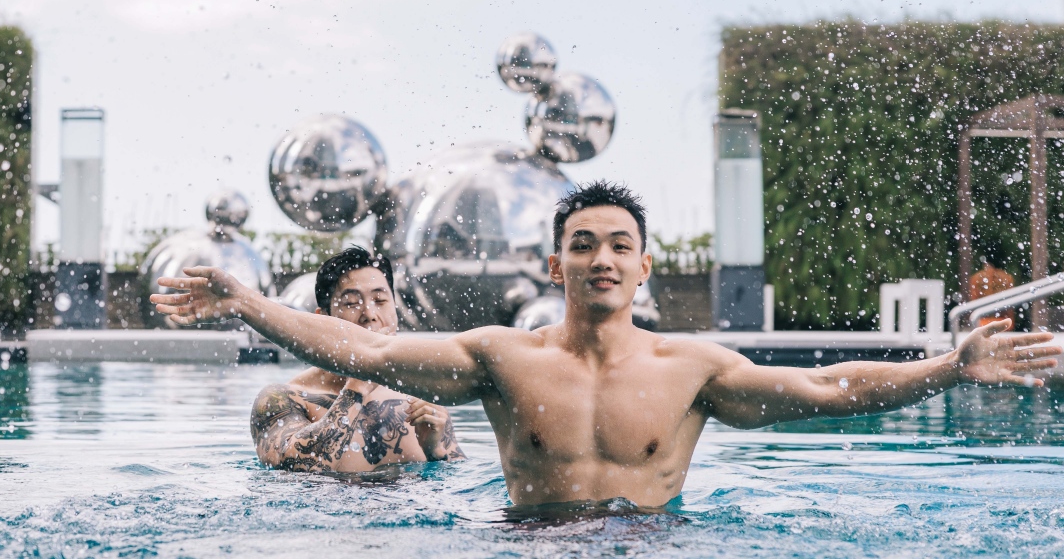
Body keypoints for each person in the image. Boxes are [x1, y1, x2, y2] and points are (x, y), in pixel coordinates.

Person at [152, 181, 1060, 507]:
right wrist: (245, 299)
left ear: (643, 266)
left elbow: (826, 389)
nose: (602, 259)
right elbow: (371, 354)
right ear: (556, 265)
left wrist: (952, 366)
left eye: (619, 245)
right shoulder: (504, 357)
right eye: (583, 244)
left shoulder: (691, 369)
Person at [249, 246, 464, 472]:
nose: (369, 314)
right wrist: (360, 382)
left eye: (380, 300)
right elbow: (292, 467)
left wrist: (435, 452)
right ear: (323, 320)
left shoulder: (421, 395)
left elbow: (460, 479)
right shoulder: (282, 399)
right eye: (351, 303)